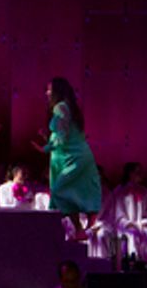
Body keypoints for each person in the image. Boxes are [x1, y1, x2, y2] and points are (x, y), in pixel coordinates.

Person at [30, 78, 101, 236]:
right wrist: (47, 137)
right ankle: (79, 229)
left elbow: (61, 137)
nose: (47, 93)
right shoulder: (71, 108)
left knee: (59, 190)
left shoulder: (60, 107)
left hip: (71, 157)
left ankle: (87, 216)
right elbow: (65, 134)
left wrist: (45, 148)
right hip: (68, 156)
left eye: (49, 90)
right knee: (68, 192)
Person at [112, 162, 147, 268]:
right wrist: (126, 223)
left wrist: (145, 222)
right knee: (132, 235)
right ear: (129, 174)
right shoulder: (120, 191)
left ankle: (146, 261)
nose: (140, 174)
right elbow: (117, 213)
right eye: (137, 172)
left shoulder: (145, 192)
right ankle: (132, 261)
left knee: (146, 233)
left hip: (140, 225)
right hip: (125, 227)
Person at [36, 260, 102, 288]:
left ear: (79, 279)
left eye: (73, 281)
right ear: (61, 280)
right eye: (67, 281)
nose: (71, 285)